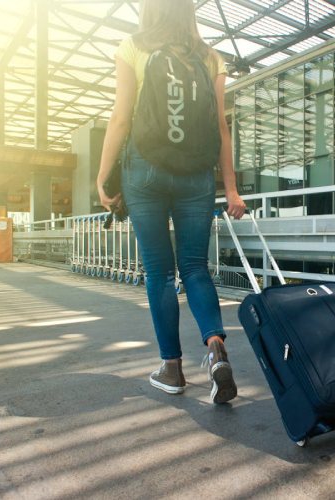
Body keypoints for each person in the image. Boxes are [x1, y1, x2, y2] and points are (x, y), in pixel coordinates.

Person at [96, 0, 246, 403]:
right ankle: (215, 349)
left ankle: (172, 368)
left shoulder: (134, 46)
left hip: (144, 170)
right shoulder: (210, 56)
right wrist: (230, 189)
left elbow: (121, 118)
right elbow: (220, 128)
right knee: (195, 266)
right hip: (197, 175)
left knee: (159, 271)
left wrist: (103, 173)